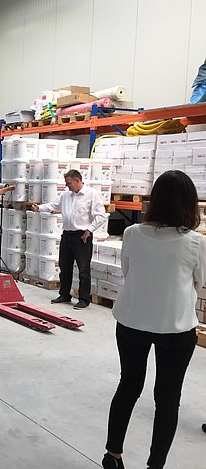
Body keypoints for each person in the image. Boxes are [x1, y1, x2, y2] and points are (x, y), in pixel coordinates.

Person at [102, 170, 206, 469]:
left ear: (155, 200)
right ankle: (155, 465)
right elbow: (199, 283)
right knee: (168, 398)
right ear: (189, 203)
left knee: (128, 385)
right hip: (175, 327)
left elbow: (128, 272)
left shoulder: (133, 233)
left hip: (132, 321)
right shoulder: (195, 243)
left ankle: (113, 454)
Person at [31, 169, 107, 309]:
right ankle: (65, 294)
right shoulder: (66, 195)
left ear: (78, 180)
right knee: (64, 266)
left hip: (82, 236)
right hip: (67, 235)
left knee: (83, 269)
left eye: (69, 183)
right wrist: (39, 208)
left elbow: (101, 215)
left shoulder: (91, 194)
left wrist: (89, 230)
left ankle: (84, 299)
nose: (67, 186)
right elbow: (53, 205)